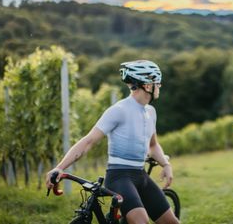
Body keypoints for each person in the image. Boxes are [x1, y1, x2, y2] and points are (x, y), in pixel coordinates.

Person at [46, 60, 179, 224]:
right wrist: (60, 167)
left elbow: (153, 145)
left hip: (140, 175)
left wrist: (166, 165)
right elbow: (88, 141)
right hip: (119, 176)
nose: (159, 86)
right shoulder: (119, 110)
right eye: (157, 82)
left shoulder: (151, 112)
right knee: (141, 221)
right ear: (147, 85)